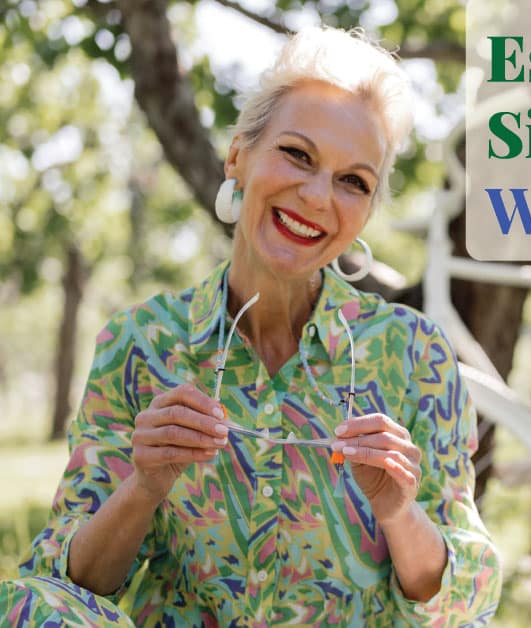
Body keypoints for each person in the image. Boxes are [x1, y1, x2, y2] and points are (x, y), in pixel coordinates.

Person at [0, 26, 500, 626]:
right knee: (28, 602)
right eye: (297, 154)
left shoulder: (413, 354)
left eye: (353, 182)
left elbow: (468, 600)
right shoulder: (139, 345)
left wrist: (399, 511)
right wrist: (144, 485)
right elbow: (71, 583)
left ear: (367, 209)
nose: (318, 196)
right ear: (238, 156)